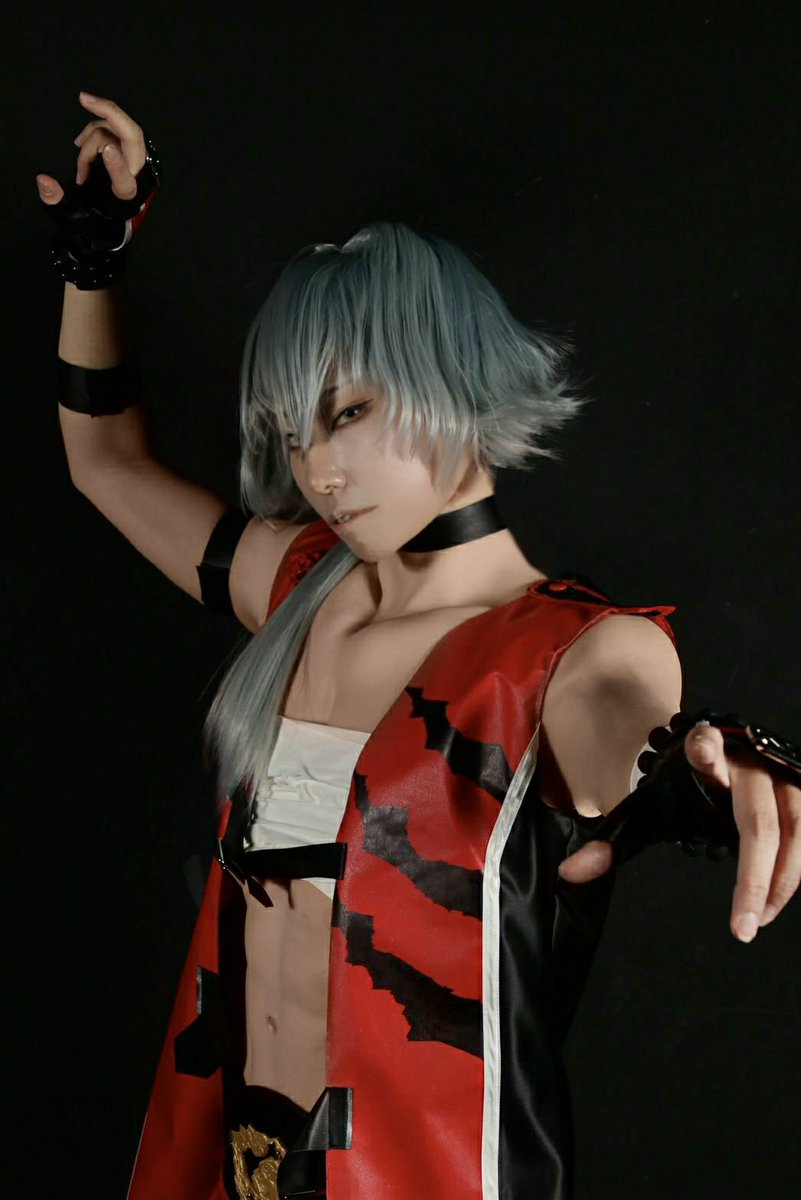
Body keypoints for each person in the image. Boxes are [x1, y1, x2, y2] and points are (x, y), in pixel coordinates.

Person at [37, 93, 801, 1200]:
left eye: (348, 412)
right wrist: (92, 265)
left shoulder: (568, 653)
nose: (318, 472)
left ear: (453, 376)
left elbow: (642, 743)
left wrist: (710, 770)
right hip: (232, 1161)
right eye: (293, 433)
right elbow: (104, 461)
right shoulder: (299, 589)